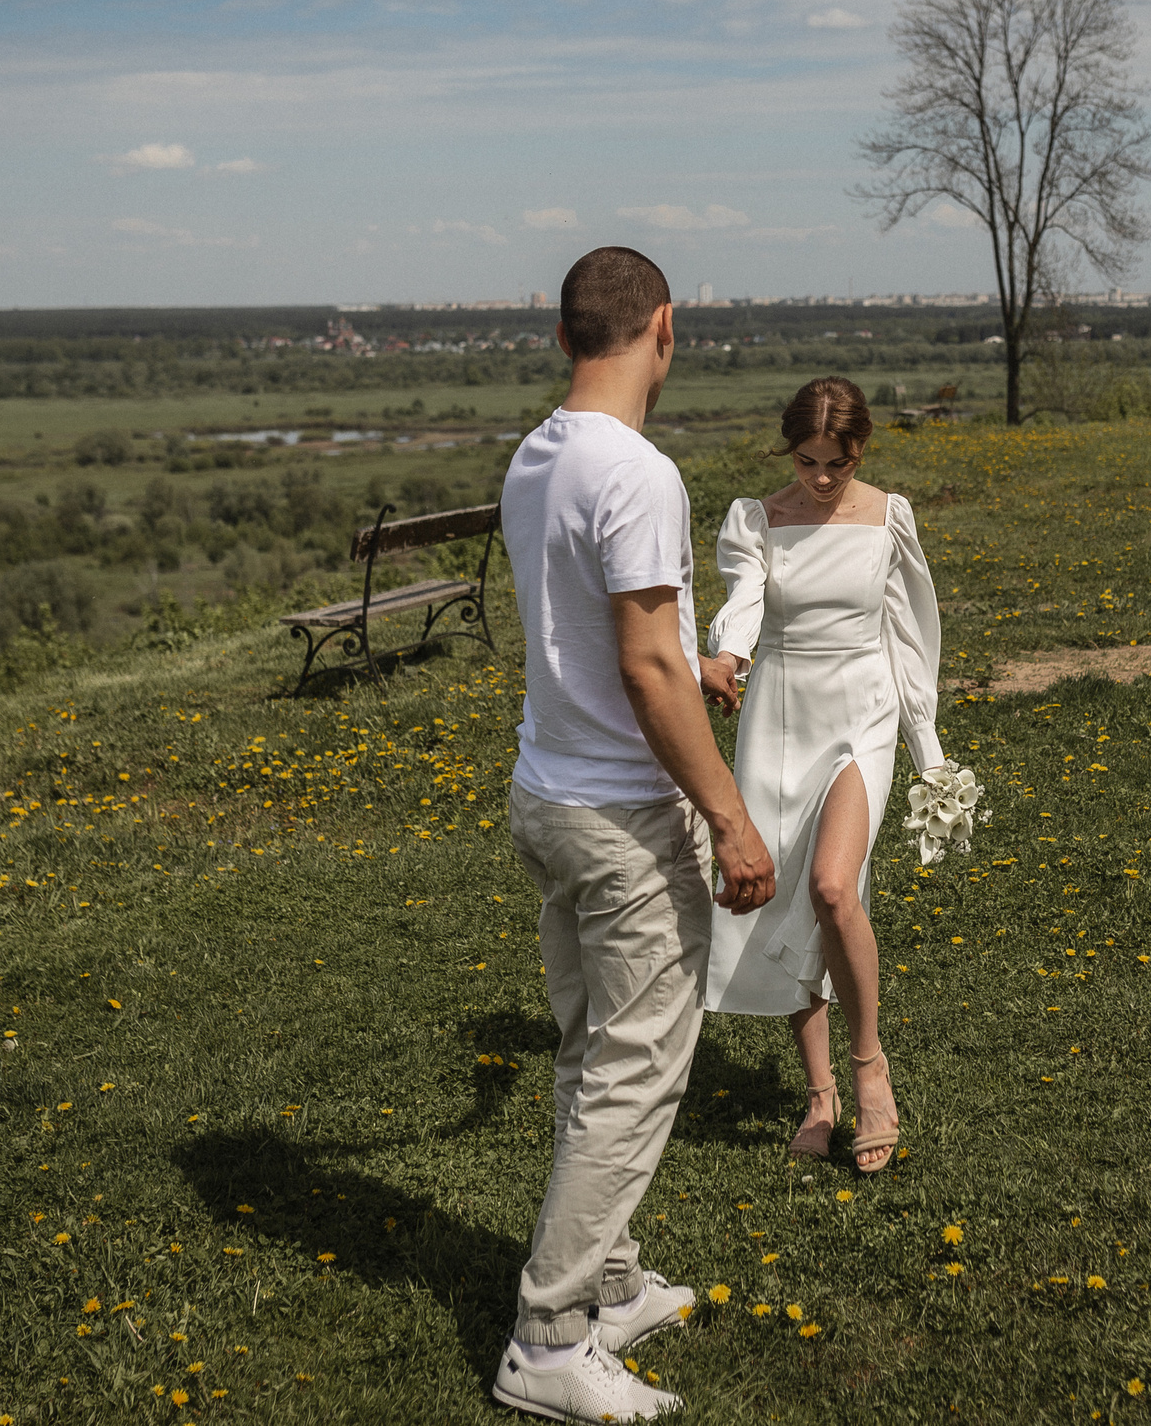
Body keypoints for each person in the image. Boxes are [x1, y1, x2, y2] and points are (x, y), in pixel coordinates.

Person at [490, 246, 777, 1423]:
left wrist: (689, 662)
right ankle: (550, 1342)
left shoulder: (535, 456)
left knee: (587, 1051)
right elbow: (645, 663)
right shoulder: (641, 470)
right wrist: (730, 818)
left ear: (566, 337)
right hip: (619, 819)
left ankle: (608, 1284)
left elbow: (611, 636)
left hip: (546, 795)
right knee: (635, 1072)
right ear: (667, 327)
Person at [702, 376, 945, 1176]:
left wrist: (928, 750)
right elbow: (745, 603)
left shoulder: (887, 517)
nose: (819, 478)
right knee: (785, 896)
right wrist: (728, 656)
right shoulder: (759, 520)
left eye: (834, 463)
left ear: (859, 451)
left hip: (860, 713)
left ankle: (870, 1069)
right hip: (778, 716)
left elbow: (908, 637)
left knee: (834, 887)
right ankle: (819, 1091)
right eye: (806, 461)